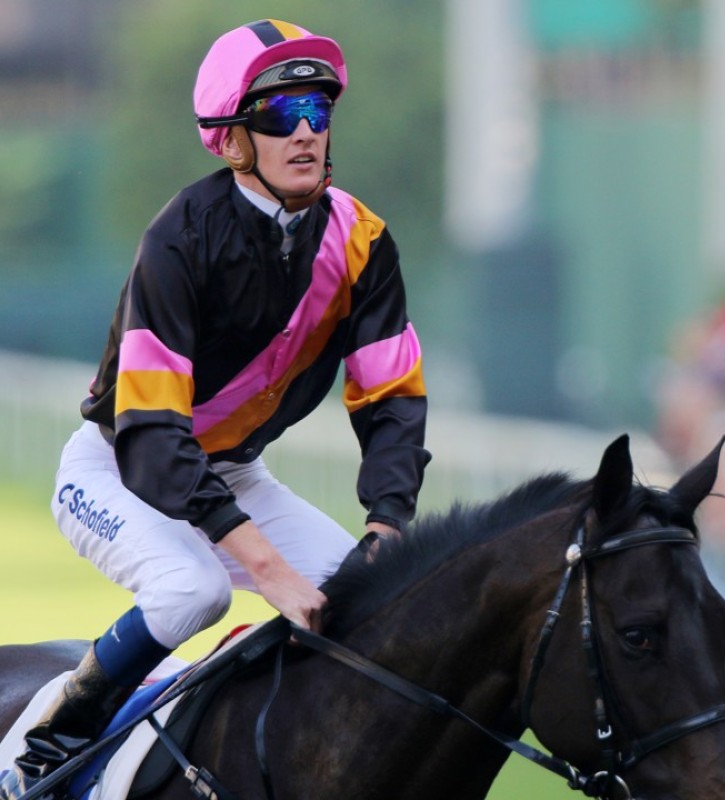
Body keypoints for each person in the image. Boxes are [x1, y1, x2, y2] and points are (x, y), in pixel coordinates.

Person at [0, 19, 430, 798]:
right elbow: (155, 436)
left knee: (377, 608)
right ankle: (36, 746)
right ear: (232, 140)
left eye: (317, 111)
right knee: (193, 589)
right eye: (279, 114)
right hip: (121, 468)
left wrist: (386, 523)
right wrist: (270, 570)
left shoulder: (363, 241)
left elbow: (392, 398)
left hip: (232, 475)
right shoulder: (179, 239)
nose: (305, 132)